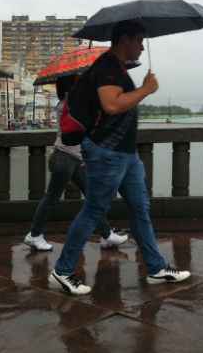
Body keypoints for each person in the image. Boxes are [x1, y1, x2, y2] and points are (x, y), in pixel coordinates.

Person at [49, 21, 191, 295]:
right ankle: (63, 270)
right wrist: (146, 89)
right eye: (139, 40)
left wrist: (141, 89)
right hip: (107, 153)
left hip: (125, 154)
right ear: (124, 39)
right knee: (94, 210)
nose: (141, 46)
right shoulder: (107, 68)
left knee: (140, 208)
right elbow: (112, 105)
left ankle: (155, 267)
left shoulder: (118, 69)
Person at [24, 76, 128, 251]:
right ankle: (34, 235)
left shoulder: (67, 103)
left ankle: (106, 235)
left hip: (73, 159)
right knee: (51, 198)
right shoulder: (71, 105)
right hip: (64, 158)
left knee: (92, 197)